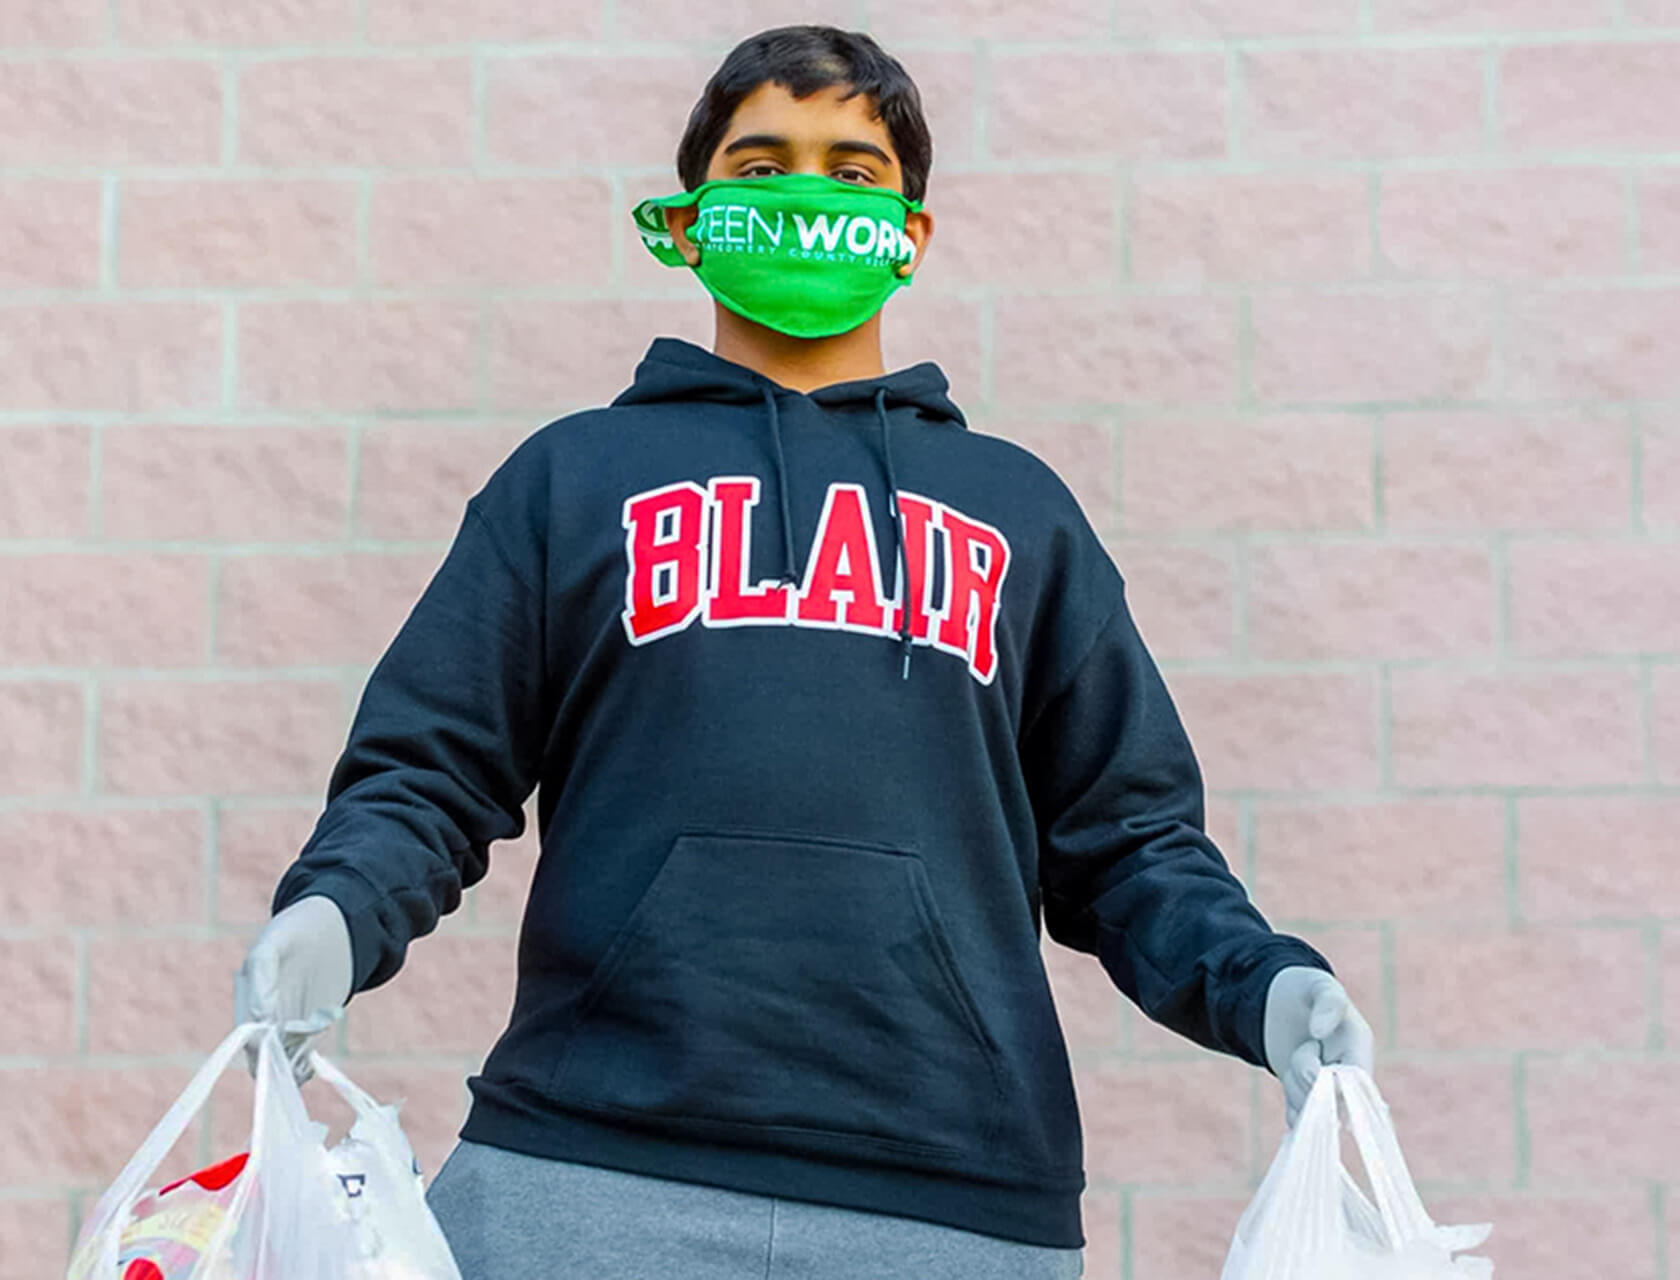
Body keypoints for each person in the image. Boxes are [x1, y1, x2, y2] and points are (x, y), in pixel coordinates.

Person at [232, 24, 1374, 1280]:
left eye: (853, 170)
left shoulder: (1019, 510)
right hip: (584, 1167)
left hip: (955, 1197)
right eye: (762, 162)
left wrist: (1262, 982)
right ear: (689, 217)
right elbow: (431, 774)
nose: (805, 194)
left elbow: (1128, 842)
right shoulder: (571, 478)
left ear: (912, 235)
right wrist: (335, 914)